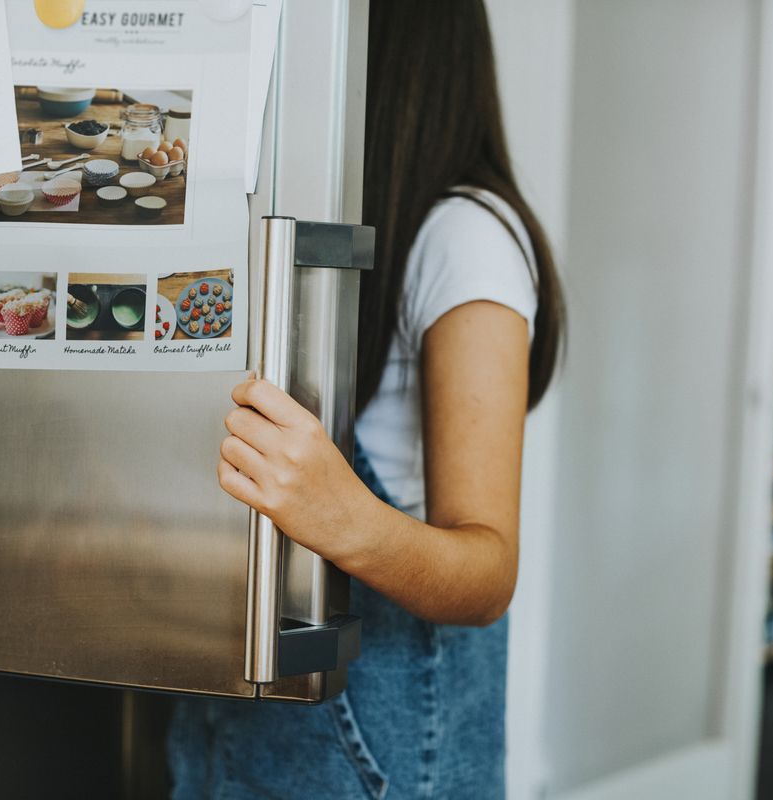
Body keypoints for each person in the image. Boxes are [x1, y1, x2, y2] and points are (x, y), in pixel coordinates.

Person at [167, 0, 565, 796]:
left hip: (372, 756)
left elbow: (488, 573)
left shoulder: (465, 236)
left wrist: (337, 512)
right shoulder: (309, 225)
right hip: (232, 725)